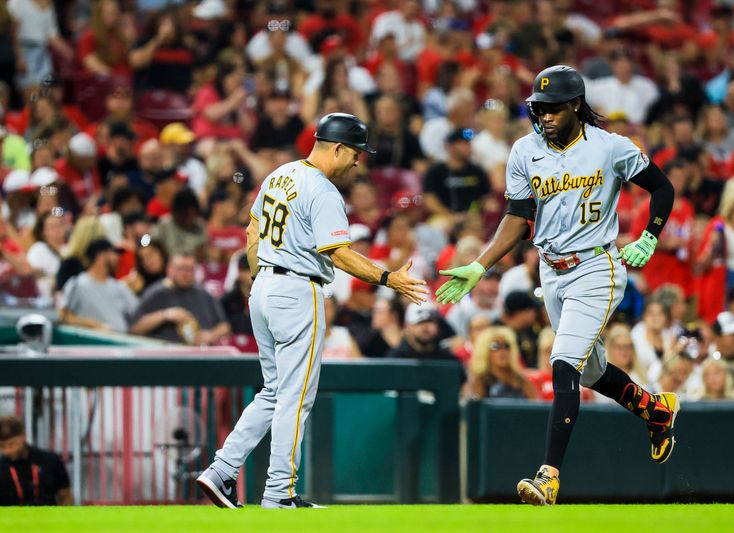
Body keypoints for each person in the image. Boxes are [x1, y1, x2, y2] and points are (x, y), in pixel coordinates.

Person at [436, 65, 678, 506]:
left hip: (595, 266)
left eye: (552, 108)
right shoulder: (524, 150)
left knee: (563, 362)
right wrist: (480, 265)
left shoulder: (610, 147)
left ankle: (548, 477)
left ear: (575, 106)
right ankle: (655, 410)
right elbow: (518, 215)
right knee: (591, 371)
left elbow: (662, 188)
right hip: (551, 270)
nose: (544, 116)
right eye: (538, 108)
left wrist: (650, 235)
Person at [196, 113, 426, 509]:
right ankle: (279, 493)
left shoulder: (279, 174)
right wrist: (388, 278)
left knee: (274, 391)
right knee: (294, 398)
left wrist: (263, 278)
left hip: (264, 286)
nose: (358, 162)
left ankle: (221, 470)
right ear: (337, 148)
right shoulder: (321, 190)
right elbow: (338, 254)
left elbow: (252, 232)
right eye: (355, 153)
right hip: (297, 290)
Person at [129, 253, 230, 345]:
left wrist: (210, 335)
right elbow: (135, 329)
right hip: (166, 355)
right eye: (181, 269)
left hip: (201, 355)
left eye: (190, 269)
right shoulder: (155, 294)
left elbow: (225, 326)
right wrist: (165, 315)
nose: (186, 274)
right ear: (169, 269)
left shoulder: (203, 294)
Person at [59, 238, 138, 333]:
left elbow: (138, 313)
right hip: (94, 342)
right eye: (114, 253)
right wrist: (95, 325)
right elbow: (64, 316)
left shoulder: (119, 286)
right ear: (101, 256)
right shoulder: (77, 284)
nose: (118, 258)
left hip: (124, 341)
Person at [0, 415, 72, 506]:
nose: (8, 450)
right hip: (9, 520)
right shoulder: (1, 468)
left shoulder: (50, 461)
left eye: (12, 444)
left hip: (48, 519)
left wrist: (64, 518)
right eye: (2, 446)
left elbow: (65, 496)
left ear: (23, 436)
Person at [464, 326, 538, 400]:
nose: (502, 351)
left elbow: (535, 407)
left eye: (506, 346)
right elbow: (473, 408)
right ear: (484, 351)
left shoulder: (522, 381)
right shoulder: (479, 381)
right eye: (495, 346)